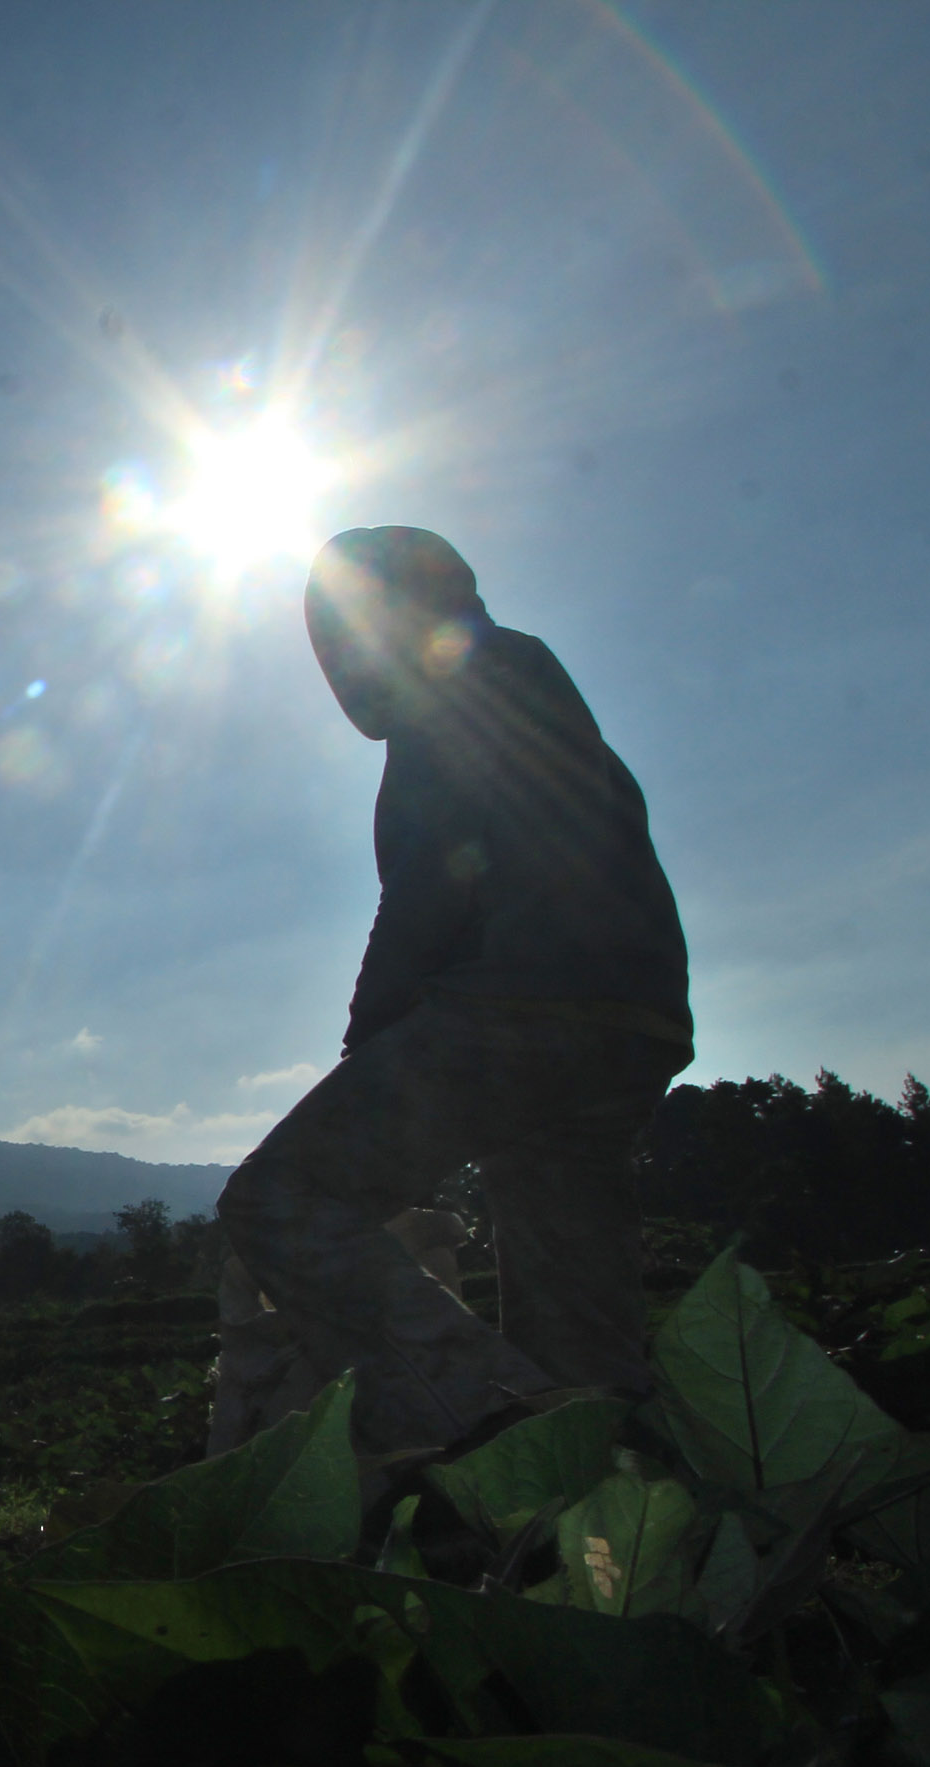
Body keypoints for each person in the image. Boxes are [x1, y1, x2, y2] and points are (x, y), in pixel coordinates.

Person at [217, 526, 693, 1455]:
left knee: (279, 1198)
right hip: (623, 1023)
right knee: (578, 1316)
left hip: (517, 1009)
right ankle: (611, 1518)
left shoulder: (461, 676)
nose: (338, 669)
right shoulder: (536, 689)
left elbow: (433, 881)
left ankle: (494, 1420)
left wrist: (371, 1034)